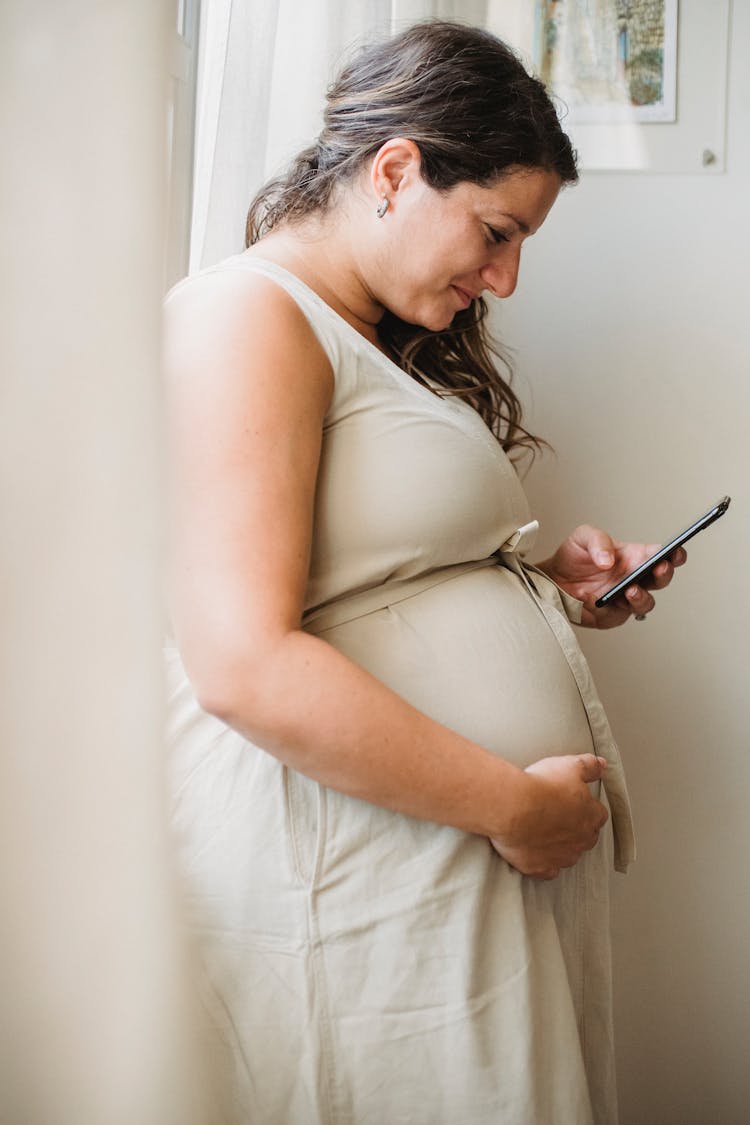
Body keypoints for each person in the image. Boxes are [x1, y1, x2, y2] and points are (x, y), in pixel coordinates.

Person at [163, 20, 684, 1125]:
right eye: (497, 231)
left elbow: (369, 584)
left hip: (438, 864)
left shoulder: (368, 338)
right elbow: (240, 661)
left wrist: (546, 585)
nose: (503, 276)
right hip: (355, 862)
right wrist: (510, 805)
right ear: (396, 169)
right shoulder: (246, 316)